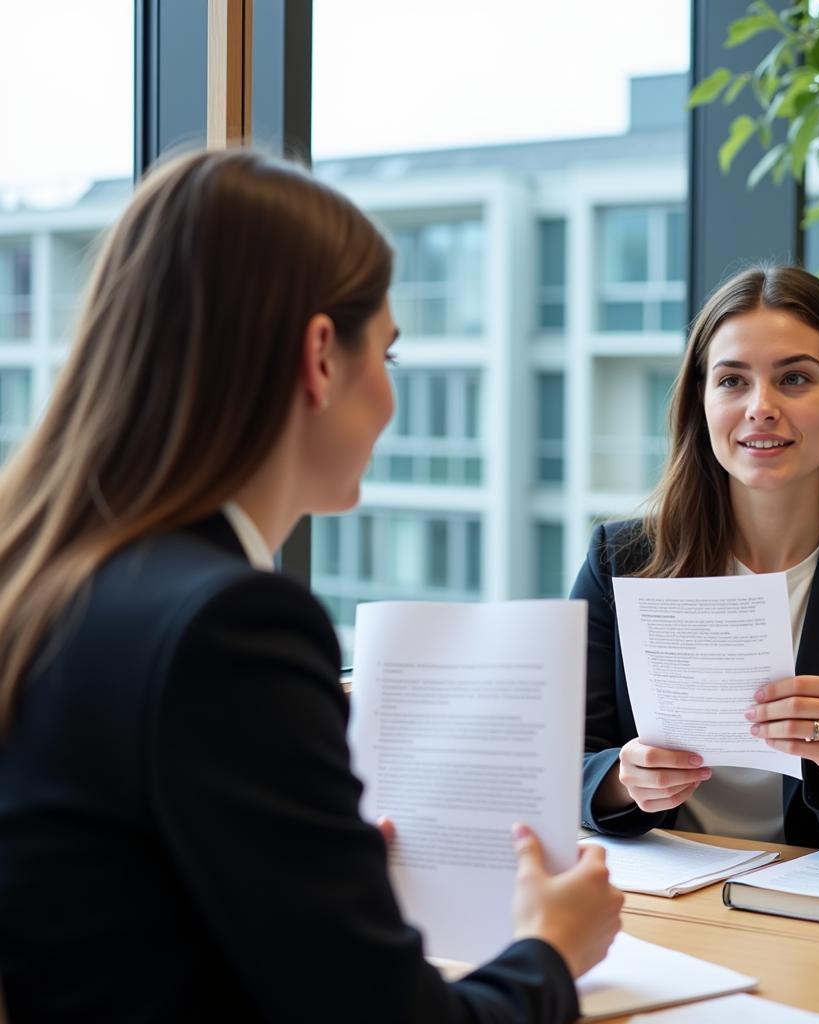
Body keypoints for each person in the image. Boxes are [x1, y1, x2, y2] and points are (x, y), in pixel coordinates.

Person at [0, 149, 622, 1023]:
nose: (393, 403)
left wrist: (311, 866)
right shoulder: (230, 626)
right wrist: (551, 950)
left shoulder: (49, 578)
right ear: (321, 356)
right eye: (391, 359)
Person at [574, 265, 819, 849]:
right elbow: (559, 768)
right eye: (732, 381)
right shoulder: (619, 562)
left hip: (809, 910)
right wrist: (621, 782)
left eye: (796, 379)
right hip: (656, 899)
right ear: (701, 401)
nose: (761, 407)